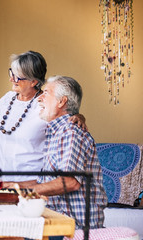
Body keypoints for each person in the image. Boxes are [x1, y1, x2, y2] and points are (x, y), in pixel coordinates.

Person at [0, 51, 85, 186]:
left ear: (33, 81)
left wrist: (79, 116)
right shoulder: (7, 99)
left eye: (17, 77)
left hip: (31, 183)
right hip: (3, 180)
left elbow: (66, 120)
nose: (11, 79)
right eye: (11, 72)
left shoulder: (45, 104)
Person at [33, 75, 107, 229]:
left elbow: (70, 182)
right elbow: (44, 183)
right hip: (57, 221)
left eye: (46, 92)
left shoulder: (70, 132)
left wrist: (28, 193)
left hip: (72, 227)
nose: (40, 97)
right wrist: (12, 188)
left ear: (62, 101)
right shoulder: (54, 133)